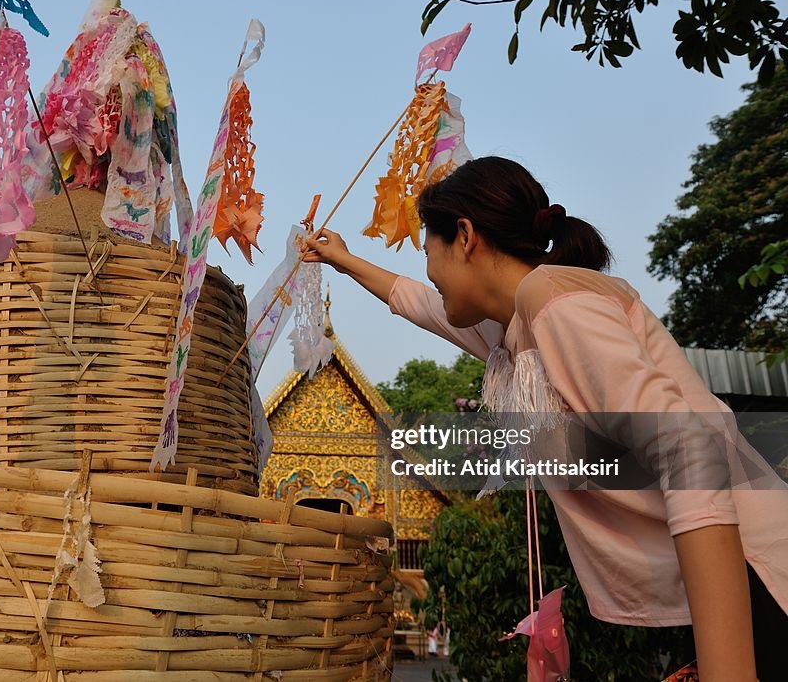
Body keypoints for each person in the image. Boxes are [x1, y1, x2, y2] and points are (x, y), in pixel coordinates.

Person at [303, 156, 788, 681]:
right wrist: (343, 261)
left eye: (428, 250)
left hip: (758, 572)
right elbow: (419, 301)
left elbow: (689, 449)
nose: (429, 271)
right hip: (733, 576)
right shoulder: (515, 326)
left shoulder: (556, 305)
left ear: (464, 235)